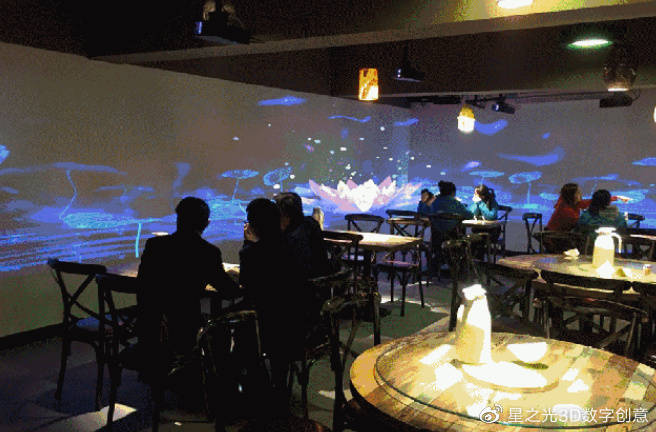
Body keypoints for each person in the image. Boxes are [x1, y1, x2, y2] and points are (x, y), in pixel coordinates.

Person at [137, 197, 241, 380]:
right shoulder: (208, 252)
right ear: (206, 223)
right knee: (221, 325)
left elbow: (143, 284)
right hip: (186, 325)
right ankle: (220, 377)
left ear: (178, 218)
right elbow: (228, 291)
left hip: (151, 325)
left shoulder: (154, 246)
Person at [239, 198, 306, 412]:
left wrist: (248, 244)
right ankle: (278, 387)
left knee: (238, 326)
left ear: (253, 224)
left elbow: (247, 286)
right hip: (296, 321)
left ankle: (252, 384)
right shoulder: (294, 245)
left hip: (261, 324)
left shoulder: (251, 253)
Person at [274, 192, 330, 280]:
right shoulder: (310, 223)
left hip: (305, 281)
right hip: (320, 277)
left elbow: (295, 267)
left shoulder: (294, 236)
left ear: (283, 214)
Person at [546, 183, 629, 232]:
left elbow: (592, 201)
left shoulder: (570, 203)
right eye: (578, 192)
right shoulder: (566, 210)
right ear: (572, 195)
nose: (581, 194)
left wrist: (617, 197)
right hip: (555, 237)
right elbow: (578, 225)